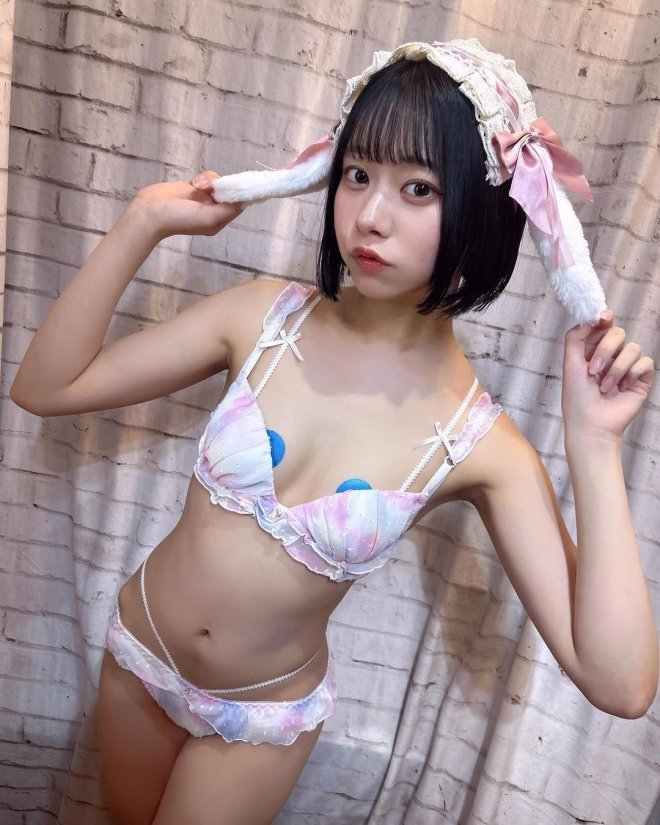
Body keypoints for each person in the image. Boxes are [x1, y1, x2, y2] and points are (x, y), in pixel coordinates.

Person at [10, 38, 658, 825]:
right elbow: (46, 387)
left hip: (259, 719)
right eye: (357, 174)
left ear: (482, 208)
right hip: (138, 653)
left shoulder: (480, 444)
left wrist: (594, 444)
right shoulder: (260, 318)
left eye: (418, 188)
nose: (371, 217)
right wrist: (144, 222)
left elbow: (621, 684)